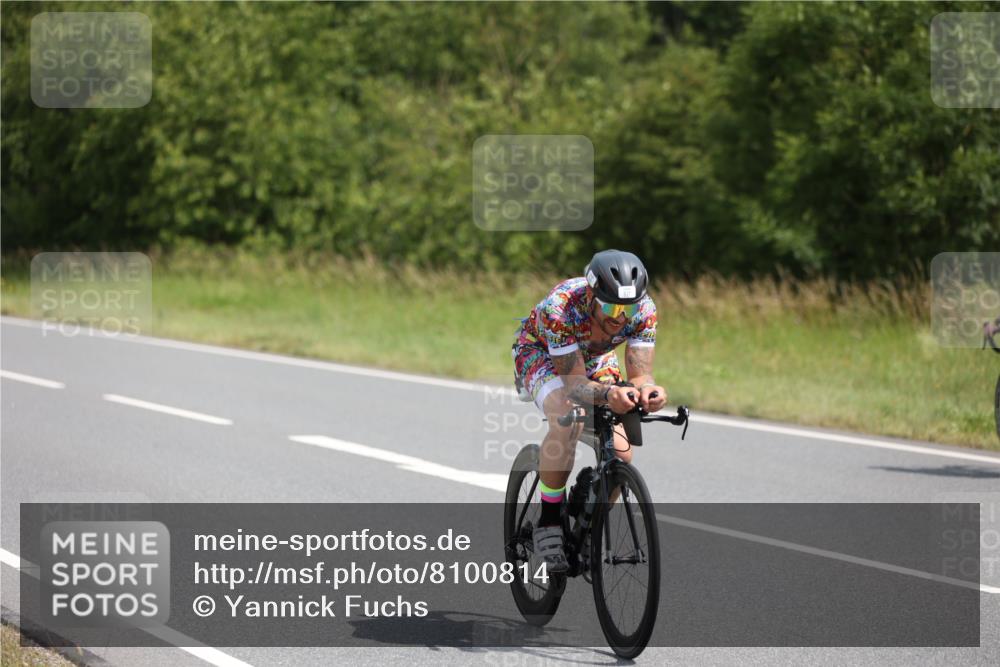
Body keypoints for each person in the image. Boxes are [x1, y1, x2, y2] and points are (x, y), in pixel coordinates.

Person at [511, 249, 667, 572]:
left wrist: (648, 391)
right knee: (570, 418)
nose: (619, 317)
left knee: (622, 454)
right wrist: (610, 394)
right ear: (592, 295)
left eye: (628, 308)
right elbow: (575, 385)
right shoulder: (562, 308)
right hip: (540, 353)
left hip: (594, 360)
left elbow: (640, 375)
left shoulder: (644, 311)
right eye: (610, 306)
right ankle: (550, 523)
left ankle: (586, 509)